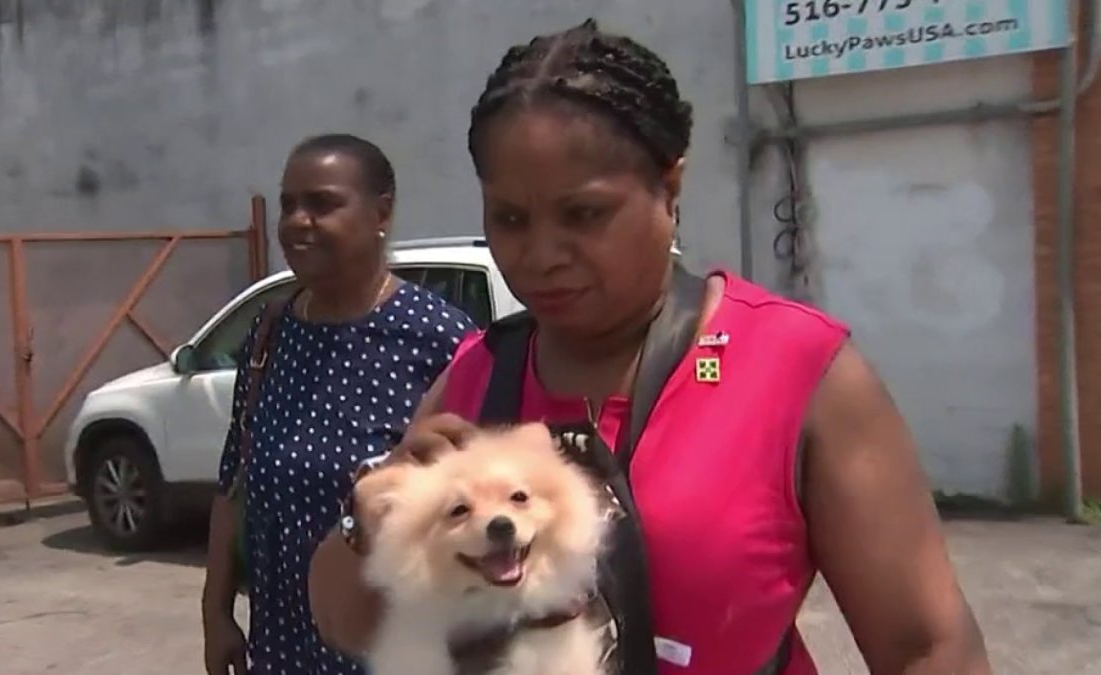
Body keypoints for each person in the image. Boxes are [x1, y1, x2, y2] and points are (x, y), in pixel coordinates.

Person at [307, 20, 991, 675]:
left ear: (670, 185)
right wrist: (371, 516)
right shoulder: (477, 377)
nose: (541, 254)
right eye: (510, 218)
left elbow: (926, 645)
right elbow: (351, 622)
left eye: (584, 214)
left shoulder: (796, 368)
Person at [201, 133, 475, 675]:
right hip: (278, 650)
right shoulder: (271, 332)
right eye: (288, 205)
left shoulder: (436, 337)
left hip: (388, 651)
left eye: (322, 204)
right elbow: (235, 482)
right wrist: (216, 613)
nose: (298, 221)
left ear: (382, 213)